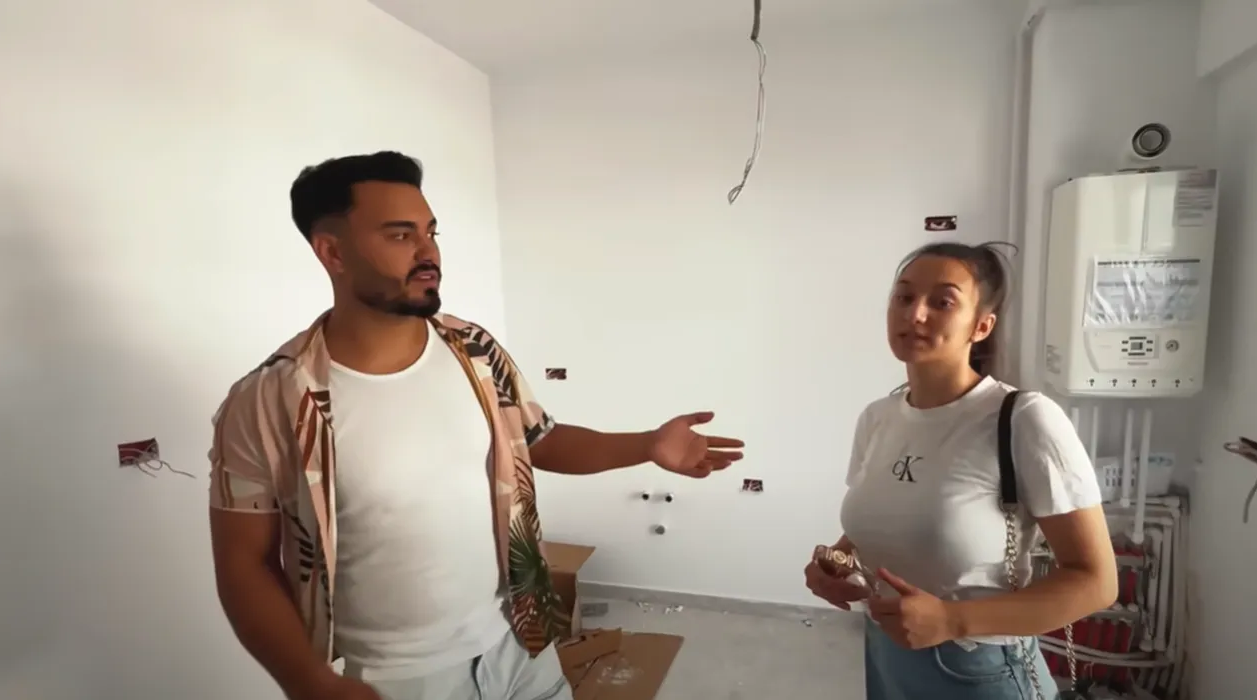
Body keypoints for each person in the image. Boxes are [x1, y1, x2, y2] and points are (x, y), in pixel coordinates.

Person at [207, 151, 745, 700]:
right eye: (401, 235)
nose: (429, 253)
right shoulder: (268, 401)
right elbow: (244, 563)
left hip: (521, 644)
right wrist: (308, 682)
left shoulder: (474, 351)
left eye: (431, 232)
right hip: (393, 681)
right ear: (333, 252)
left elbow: (541, 441)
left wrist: (648, 445)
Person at [804, 242, 1117, 699]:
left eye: (943, 302)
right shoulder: (878, 418)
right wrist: (837, 561)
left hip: (979, 667)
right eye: (904, 296)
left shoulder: (1024, 419)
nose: (915, 314)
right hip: (885, 652)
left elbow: (1096, 582)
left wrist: (952, 620)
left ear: (982, 325)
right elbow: (890, 518)